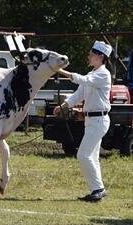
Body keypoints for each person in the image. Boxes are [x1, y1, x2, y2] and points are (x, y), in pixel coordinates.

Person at [53, 41, 112, 202]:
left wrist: (60, 70)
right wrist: (64, 106)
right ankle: (97, 190)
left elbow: (81, 80)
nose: (89, 56)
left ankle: (98, 189)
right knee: (92, 156)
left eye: (92, 54)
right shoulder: (93, 74)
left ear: (101, 57)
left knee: (83, 155)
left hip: (99, 120)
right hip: (92, 120)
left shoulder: (103, 74)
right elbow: (79, 94)